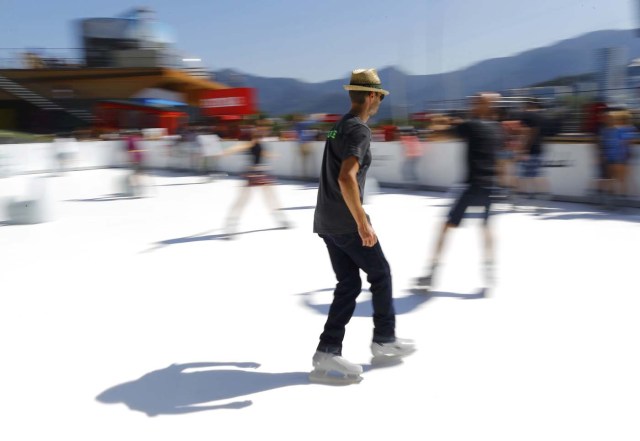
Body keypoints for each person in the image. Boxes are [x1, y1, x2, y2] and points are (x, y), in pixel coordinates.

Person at [310, 68, 415, 384]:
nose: (380, 101)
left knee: (349, 284)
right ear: (370, 96)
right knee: (380, 273)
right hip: (344, 222)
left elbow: (332, 161)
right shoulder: (359, 131)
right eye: (379, 96)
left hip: (325, 220)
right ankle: (383, 339)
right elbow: (345, 177)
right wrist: (362, 224)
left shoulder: (335, 128)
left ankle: (327, 351)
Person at [414, 93, 501, 292]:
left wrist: (437, 121)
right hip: (490, 186)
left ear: (484, 106)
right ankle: (489, 272)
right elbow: (500, 160)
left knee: (446, 227)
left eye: (477, 101)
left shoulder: (471, 125)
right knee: (486, 228)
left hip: (471, 186)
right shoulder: (497, 128)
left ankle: (431, 273)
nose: (472, 103)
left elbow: (438, 135)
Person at [221, 126, 291, 238]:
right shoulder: (251, 143)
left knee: (270, 197)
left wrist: (273, 155)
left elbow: (263, 154)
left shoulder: (259, 144)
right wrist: (226, 152)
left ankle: (281, 219)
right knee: (243, 200)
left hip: (260, 172)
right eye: (260, 133)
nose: (263, 134)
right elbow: (239, 147)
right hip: (253, 173)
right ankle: (230, 226)